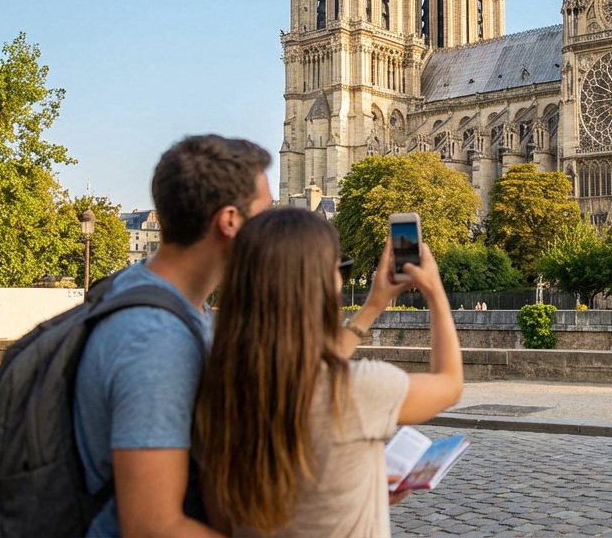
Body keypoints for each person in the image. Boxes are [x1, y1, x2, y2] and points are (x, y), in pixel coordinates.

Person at [196, 208, 464, 537]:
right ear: (321, 287)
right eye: (340, 270)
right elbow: (450, 384)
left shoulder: (216, 396)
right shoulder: (357, 389)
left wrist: (372, 307)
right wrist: (435, 291)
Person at [73, 135, 272, 536]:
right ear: (230, 221)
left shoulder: (144, 292)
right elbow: (152, 526)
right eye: (265, 218)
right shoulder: (155, 340)